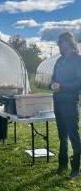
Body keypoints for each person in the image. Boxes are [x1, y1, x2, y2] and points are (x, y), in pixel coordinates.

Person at [50, 32, 81, 179]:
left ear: (68, 43)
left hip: (70, 102)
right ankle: (62, 165)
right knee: (62, 136)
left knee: (73, 136)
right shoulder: (59, 61)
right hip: (58, 102)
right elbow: (53, 78)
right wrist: (52, 84)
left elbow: (79, 83)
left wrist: (62, 86)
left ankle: (75, 169)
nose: (58, 46)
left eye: (59, 43)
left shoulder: (77, 60)